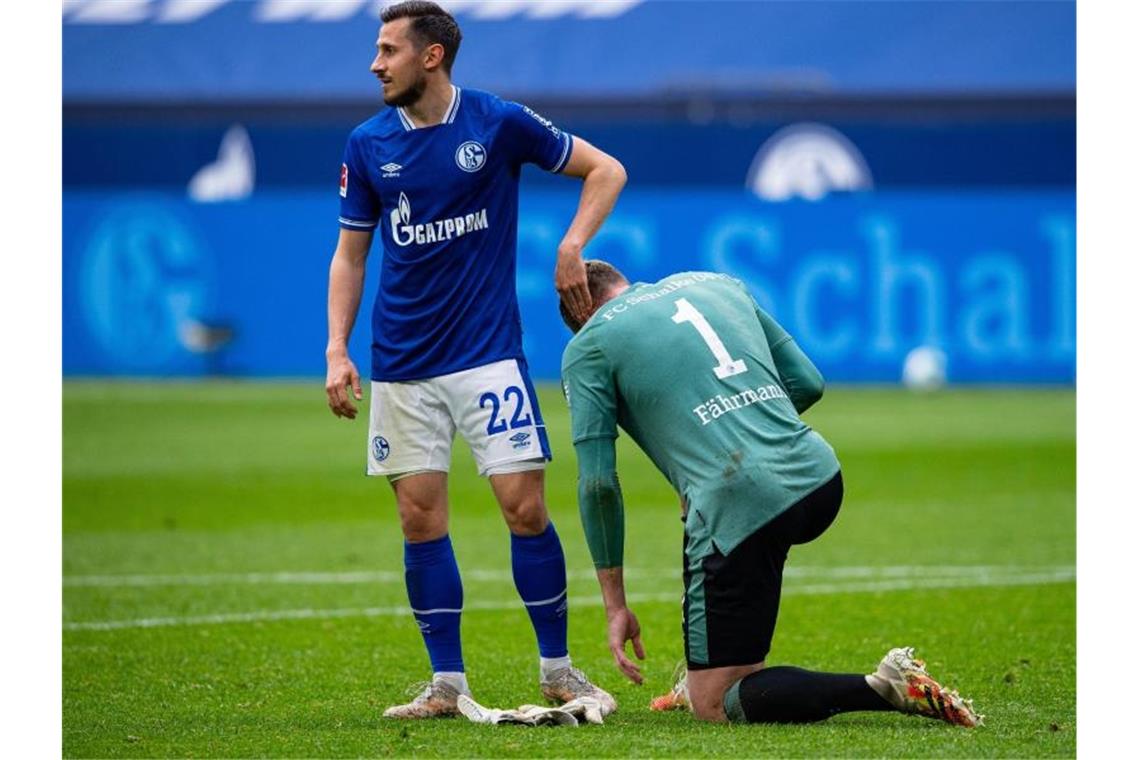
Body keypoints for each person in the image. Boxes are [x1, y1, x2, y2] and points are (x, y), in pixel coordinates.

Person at [325, 2, 626, 719]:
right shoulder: (368, 144)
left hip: (488, 355)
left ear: (431, 57)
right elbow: (350, 253)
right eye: (377, 49)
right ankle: (446, 684)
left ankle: (557, 669)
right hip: (402, 361)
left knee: (525, 510)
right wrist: (337, 349)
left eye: (389, 49)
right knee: (419, 521)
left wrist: (571, 246)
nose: (376, 63)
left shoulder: (496, 122)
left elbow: (605, 171)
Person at [558, 261, 983, 727]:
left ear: (581, 313)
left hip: (744, 501)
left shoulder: (588, 345)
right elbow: (808, 381)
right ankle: (714, 664)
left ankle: (884, 686)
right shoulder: (716, 283)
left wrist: (616, 604)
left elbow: (598, 484)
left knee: (716, 703)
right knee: (716, 537)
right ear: (623, 282)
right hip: (819, 476)